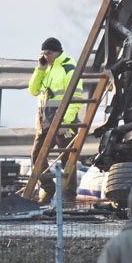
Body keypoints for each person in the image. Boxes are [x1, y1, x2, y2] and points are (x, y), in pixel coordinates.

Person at [28, 37, 83, 204]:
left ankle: (68, 197)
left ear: (57, 52)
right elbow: (33, 90)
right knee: (36, 155)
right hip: (45, 121)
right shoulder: (46, 67)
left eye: (49, 53)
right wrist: (40, 69)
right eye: (43, 53)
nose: (46, 56)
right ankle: (48, 188)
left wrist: (65, 121)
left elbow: (76, 96)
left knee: (68, 158)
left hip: (64, 120)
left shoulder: (68, 67)